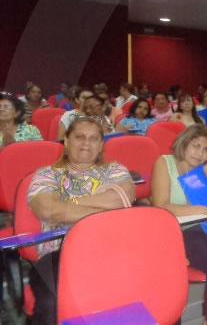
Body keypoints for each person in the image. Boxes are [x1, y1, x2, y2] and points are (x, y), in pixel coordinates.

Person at [28, 116, 135, 324]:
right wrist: (101, 211)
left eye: (94, 138)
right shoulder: (47, 175)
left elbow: (123, 199)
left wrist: (68, 204)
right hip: (60, 252)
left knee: (148, 286)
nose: (86, 143)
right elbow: (48, 210)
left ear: (101, 145)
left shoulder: (114, 170)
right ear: (66, 141)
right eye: (79, 137)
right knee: (52, 304)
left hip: (111, 247)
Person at [151, 124, 207, 292]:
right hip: (183, 231)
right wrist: (202, 211)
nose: (200, 153)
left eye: (206, 149)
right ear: (184, 143)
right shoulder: (165, 163)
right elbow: (161, 206)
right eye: (196, 146)